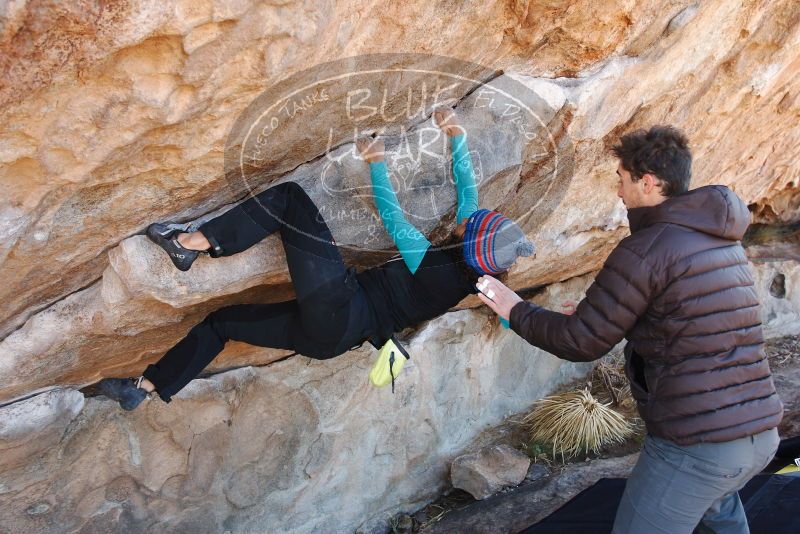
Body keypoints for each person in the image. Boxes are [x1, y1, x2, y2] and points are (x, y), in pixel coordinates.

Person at [97, 109, 535, 410]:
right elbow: (469, 194)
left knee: (289, 200)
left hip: (338, 304)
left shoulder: (429, 260)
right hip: (330, 340)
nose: (470, 216)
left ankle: (191, 243)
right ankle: (144, 387)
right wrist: (455, 133)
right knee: (222, 323)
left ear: (470, 241)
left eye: (474, 223)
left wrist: (375, 160)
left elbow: (392, 215)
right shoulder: (479, 275)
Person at [476, 126, 783, 534]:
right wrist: (618, 314)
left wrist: (516, 310)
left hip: (696, 446)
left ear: (648, 182)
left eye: (622, 180)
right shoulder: (722, 244)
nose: (618, 192)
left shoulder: (646, 249)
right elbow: (694, 323)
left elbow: (581, 340)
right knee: (720, 521)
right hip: (757, 432)